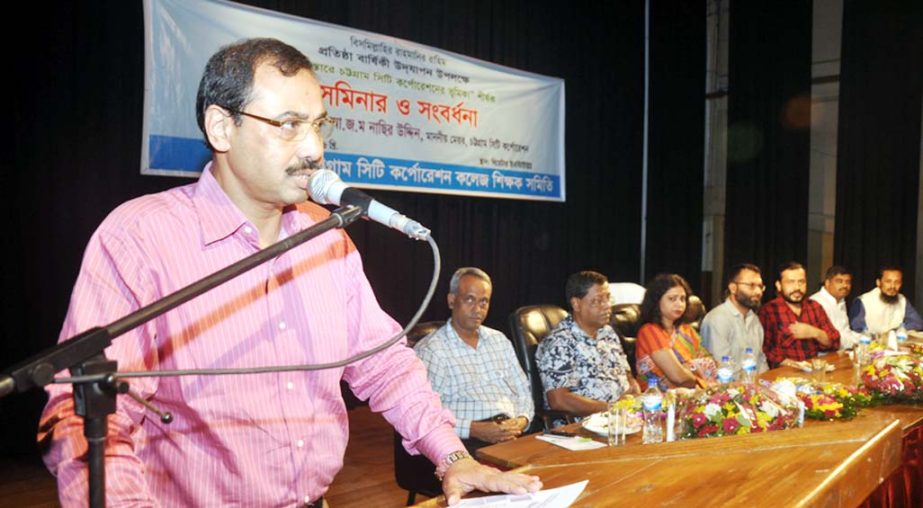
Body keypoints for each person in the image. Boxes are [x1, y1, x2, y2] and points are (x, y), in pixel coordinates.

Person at [37, 38, 540, 506]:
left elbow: (384, 366)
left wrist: (453, 456)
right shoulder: (141, 238)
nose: (314, 149)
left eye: (318, 124)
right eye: (288, 124)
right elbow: (84, 418)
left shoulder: (325, 235)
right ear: (220, 127)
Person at [414, 267, 533, 450]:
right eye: (469, 299)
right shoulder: (432, 350)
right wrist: (473, 429)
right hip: (465, 440)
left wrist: (523, 419)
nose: (477, 309)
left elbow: (523, 390)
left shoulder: (499, 340)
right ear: (452, 301)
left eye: (484, 302)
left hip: (511, 433)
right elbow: (426, 413)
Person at [535, 271, 640, 418]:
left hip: (623, 418)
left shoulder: (608, 333)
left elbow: (627, 374)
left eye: (608, 298)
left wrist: (634, 391)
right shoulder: (559, 343)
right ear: (576, 304)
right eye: (597, 301)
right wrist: (612, 408)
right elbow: (559, 400)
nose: (607, 306)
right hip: (582, 427)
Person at [635, 274, 717, 389]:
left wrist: (690, 368)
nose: (679, 304)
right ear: (657, 301)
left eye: (682, 299)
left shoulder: (687, 330)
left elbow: (710, 364)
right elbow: (678, 377)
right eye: (672, 299)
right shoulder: (649, 331)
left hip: (693, 394)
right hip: (656, 399)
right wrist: (697, 373)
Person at [759, 262, 840, 368]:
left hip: (814, 371)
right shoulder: (769, 311)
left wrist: (815, 332)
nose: (797, 287)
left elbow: (835, 342)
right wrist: (788, 363)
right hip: (783, 376)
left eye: (801, 282)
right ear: (779, 285)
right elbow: (764, 350)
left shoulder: (814, 307)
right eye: (790, 282)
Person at [700, 263, 770, 374]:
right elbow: (721, 367)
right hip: (725, 388)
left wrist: (768, 385)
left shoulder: (754, 320)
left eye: (760, 286)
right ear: (733, 288)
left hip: (752, 387)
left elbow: (760, 361)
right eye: (751, 285)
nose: (758, 292)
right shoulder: (717, 319)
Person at [849, 266, 923, 334]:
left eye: (897, 282)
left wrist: (894, 331)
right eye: (888, 282)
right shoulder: (863, 301)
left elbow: (918, 323)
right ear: (878, 282)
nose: (893, 286)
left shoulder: (902, 300)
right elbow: (857, 329)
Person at [809, 265, 864, 350]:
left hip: (841, 351)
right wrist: (855, 343)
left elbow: (845, 332)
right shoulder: (816, 302)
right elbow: (828, 337)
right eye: (839, 281)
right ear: (827, 283)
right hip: (822, 354)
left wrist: (865, 340)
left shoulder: (840, 300)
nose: (845, 285)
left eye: (848, 282)